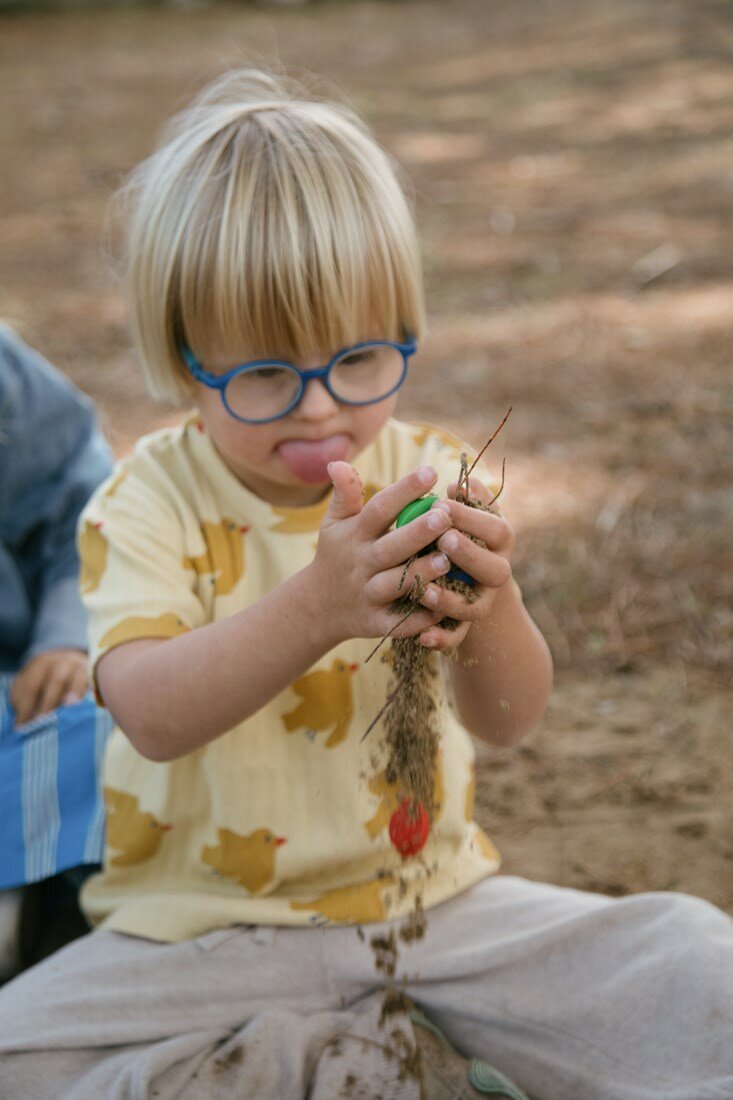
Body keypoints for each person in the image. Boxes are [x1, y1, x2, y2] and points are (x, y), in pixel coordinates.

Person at [0, 70, 730, 1100]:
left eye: (359, 359)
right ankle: (317, 1059)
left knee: (690, 959)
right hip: (198, 939)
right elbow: (150, 715)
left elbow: (510, 721)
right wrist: (314, 607)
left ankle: (340, 1053)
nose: (320, 410)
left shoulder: (429, 479)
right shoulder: (144, 501)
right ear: (185, 356)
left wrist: (494, 612)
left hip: (434, 916)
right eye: (264, 374)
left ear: (404, 326)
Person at [0, 326, 114, 981]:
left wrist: (66, 636)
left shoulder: (7, 377)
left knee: (121, 736)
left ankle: (64, 926)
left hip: (24, 693)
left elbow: (86, 510)